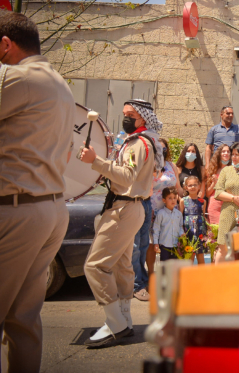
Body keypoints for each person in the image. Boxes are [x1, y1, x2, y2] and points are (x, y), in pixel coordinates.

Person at [0, 11, 75, 372]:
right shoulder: (60, 83)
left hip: (15, 207)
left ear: (7, 45)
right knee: (22, 320)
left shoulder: (15, 76)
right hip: (49, 208)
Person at [78, 99, 159, 348]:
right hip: (128, 207)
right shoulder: (138, 141)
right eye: (124, 114)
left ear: (142, 118)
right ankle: (125, 317)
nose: (126, 118)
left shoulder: (139, 144)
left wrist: (96, 161)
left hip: (125, 208)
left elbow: (127, 176)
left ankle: (116, 324)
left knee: (95, 266)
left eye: (131, 114)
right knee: (123, 266)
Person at [143, 138, 183, 290]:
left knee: (169, 242)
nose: (161, 150)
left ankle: (168, 277)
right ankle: (151, 276)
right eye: (158, 148)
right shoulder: (149, 165)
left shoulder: (171, 165)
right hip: (152, 208)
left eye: (164, 148)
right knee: (152, 243)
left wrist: (187, 195)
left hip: (171, 210)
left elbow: (177, 187)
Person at [179, 176, 207, 265]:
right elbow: (180, 217)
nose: (193, 187)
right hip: (188, 231)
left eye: (195, 185)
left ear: (199, 186)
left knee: (200, 254)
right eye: (190, 185)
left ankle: (202, 276)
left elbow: (203, 215)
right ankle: (189, 277)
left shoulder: (203, 201)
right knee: (190, 254)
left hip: (200, 231)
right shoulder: (183, 201)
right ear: (186, 187)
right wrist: (181, 231)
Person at [152, 187, 184, 262]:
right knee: (165, 268)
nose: (173, 200)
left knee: (174, 267)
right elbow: (156, 229)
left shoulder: (179, 213)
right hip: (164, 245)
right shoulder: (161, 213)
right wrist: (156, 243)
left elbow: (180, 227)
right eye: (170, 198)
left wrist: (182, 234)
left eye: (174, 198)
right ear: (164, 200)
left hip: (176, 246)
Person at [205, 143, 230, 225]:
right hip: (215, 207)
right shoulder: (213, 170)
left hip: (229, 206)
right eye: (223, 151)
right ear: (219, 154)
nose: (226, 153)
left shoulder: (234, 170)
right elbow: (207, 193)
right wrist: (214, 183)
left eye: (228, 151)